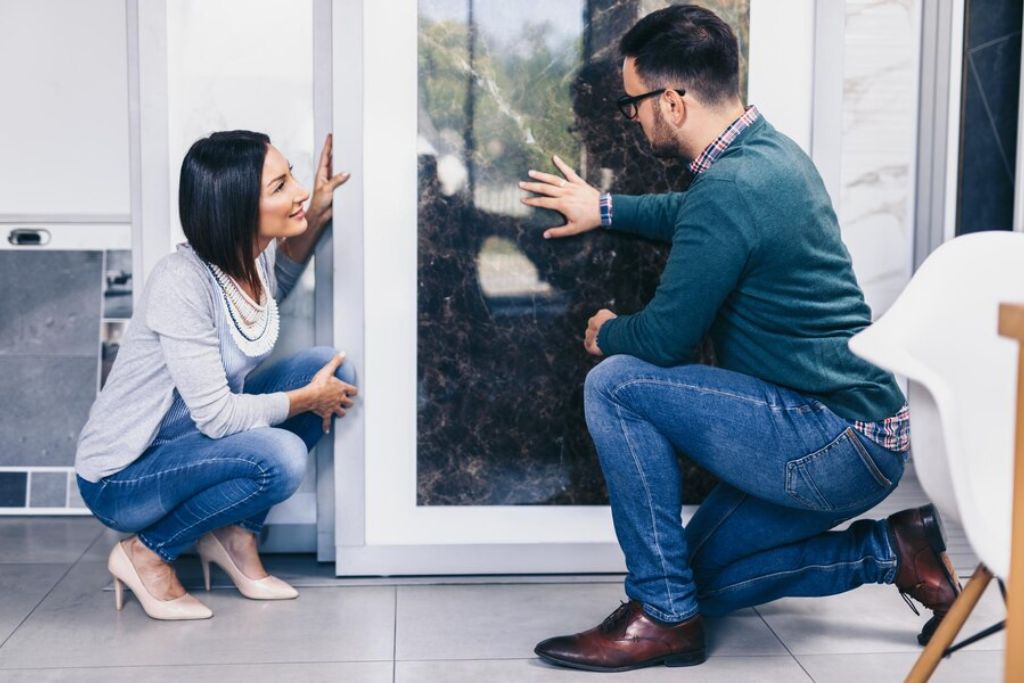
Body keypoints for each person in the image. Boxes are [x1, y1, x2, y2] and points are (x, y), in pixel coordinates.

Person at [520, 5, 960, 672]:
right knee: (693, 581)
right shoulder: (766, 154)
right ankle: (894, 552)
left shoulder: (733, 185)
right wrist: (605, 208)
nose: (631, 117)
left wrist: (609, 331)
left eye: (633, 101)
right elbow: (697, 212)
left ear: (672, 101)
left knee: (615, 383)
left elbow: (665, 337)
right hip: (857, 429)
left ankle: (661, 618)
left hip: (834, 437)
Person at [74, 131, 356, 620]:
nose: (299, 193)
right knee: (282, 455)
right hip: (125, 476)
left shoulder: (249, 261)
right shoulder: (180, 282)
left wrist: (313, 219)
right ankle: (145, 553)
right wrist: (306, 401)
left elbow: (266, 297)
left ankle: (233, 537)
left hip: (187, 443)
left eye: (290, 176)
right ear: (237, 210)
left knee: (329, 367)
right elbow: (219, 417)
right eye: (280, 186)